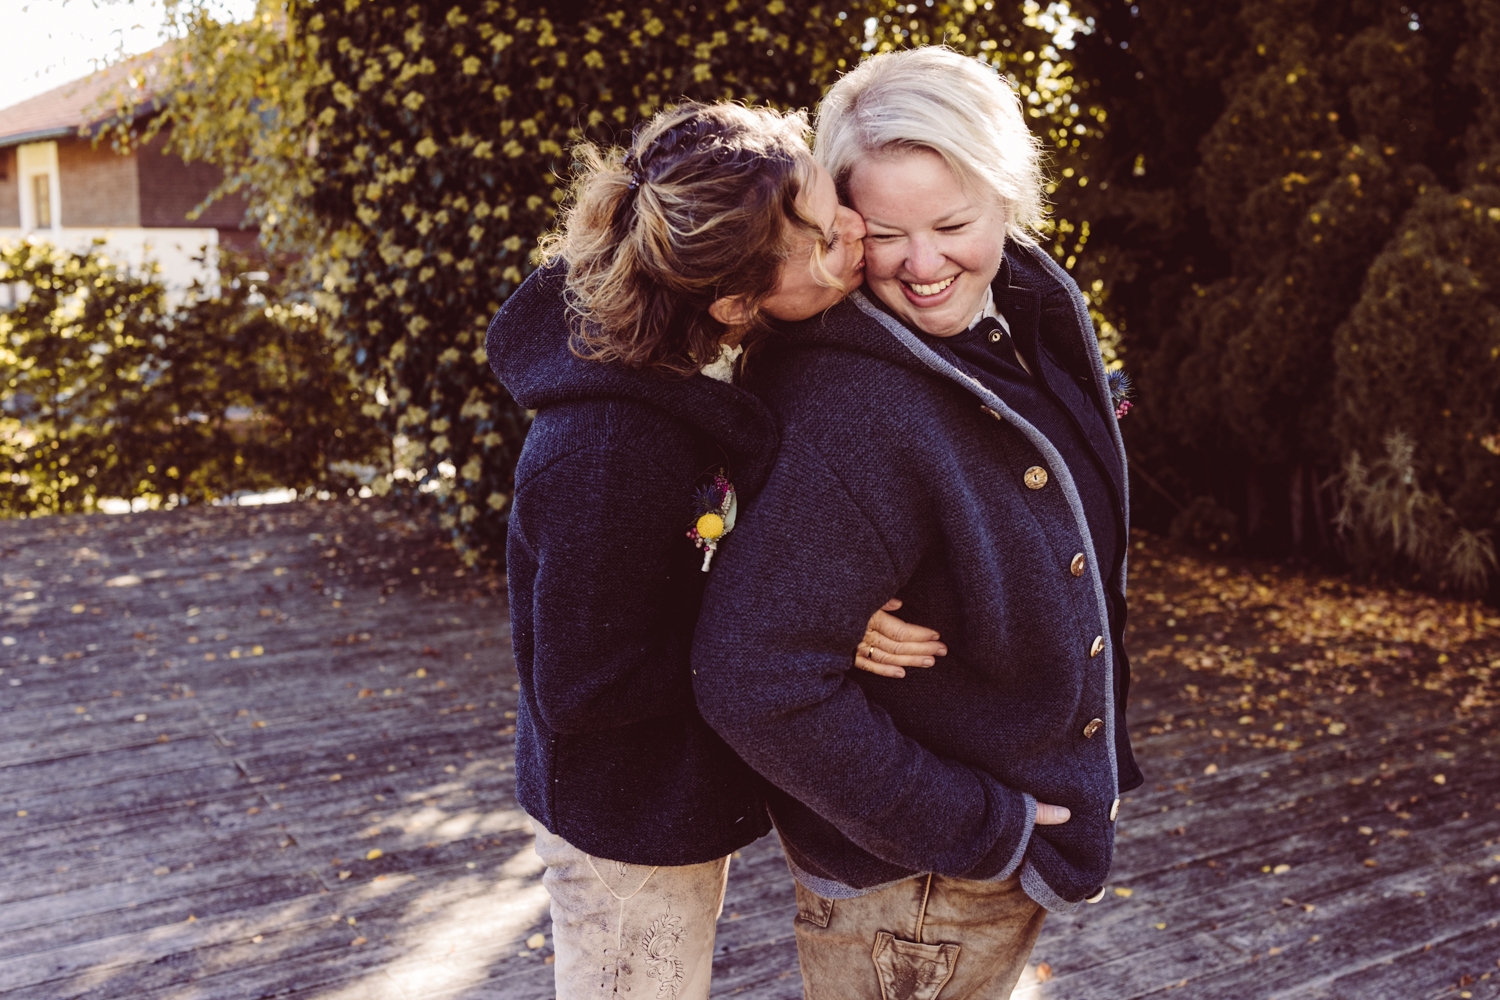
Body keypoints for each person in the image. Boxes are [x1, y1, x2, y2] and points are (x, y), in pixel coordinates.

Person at [692, 46, 1141, 998]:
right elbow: (754, 677)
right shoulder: (850, 402)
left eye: (953, 223)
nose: (925, 264)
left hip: (974, 873)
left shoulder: (1017, 323)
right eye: (886, 233)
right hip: (921, 894)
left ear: (1009, 199)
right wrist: (986, 826)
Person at [485, 101, 945, 1000]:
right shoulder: (606, 453)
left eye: (829, 198)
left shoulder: (685, 354)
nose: (856, 231)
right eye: (821, 239)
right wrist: (796, 630)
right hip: (628, 830)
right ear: (737, 302)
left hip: (669, 803)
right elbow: (583, 686)